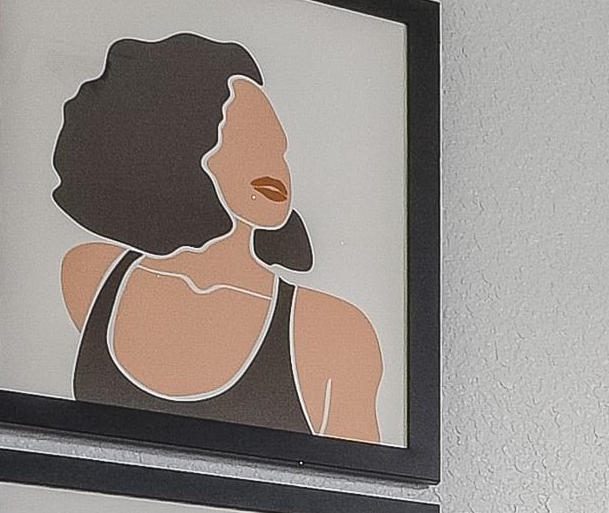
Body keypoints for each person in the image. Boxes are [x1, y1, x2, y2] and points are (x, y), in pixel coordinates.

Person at [53, 33, 387, 441]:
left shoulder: (336, 331)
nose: (274, 166)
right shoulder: (91, 272)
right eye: (247, 142)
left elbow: (359, 477)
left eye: (277, 148)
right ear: (175, 145)